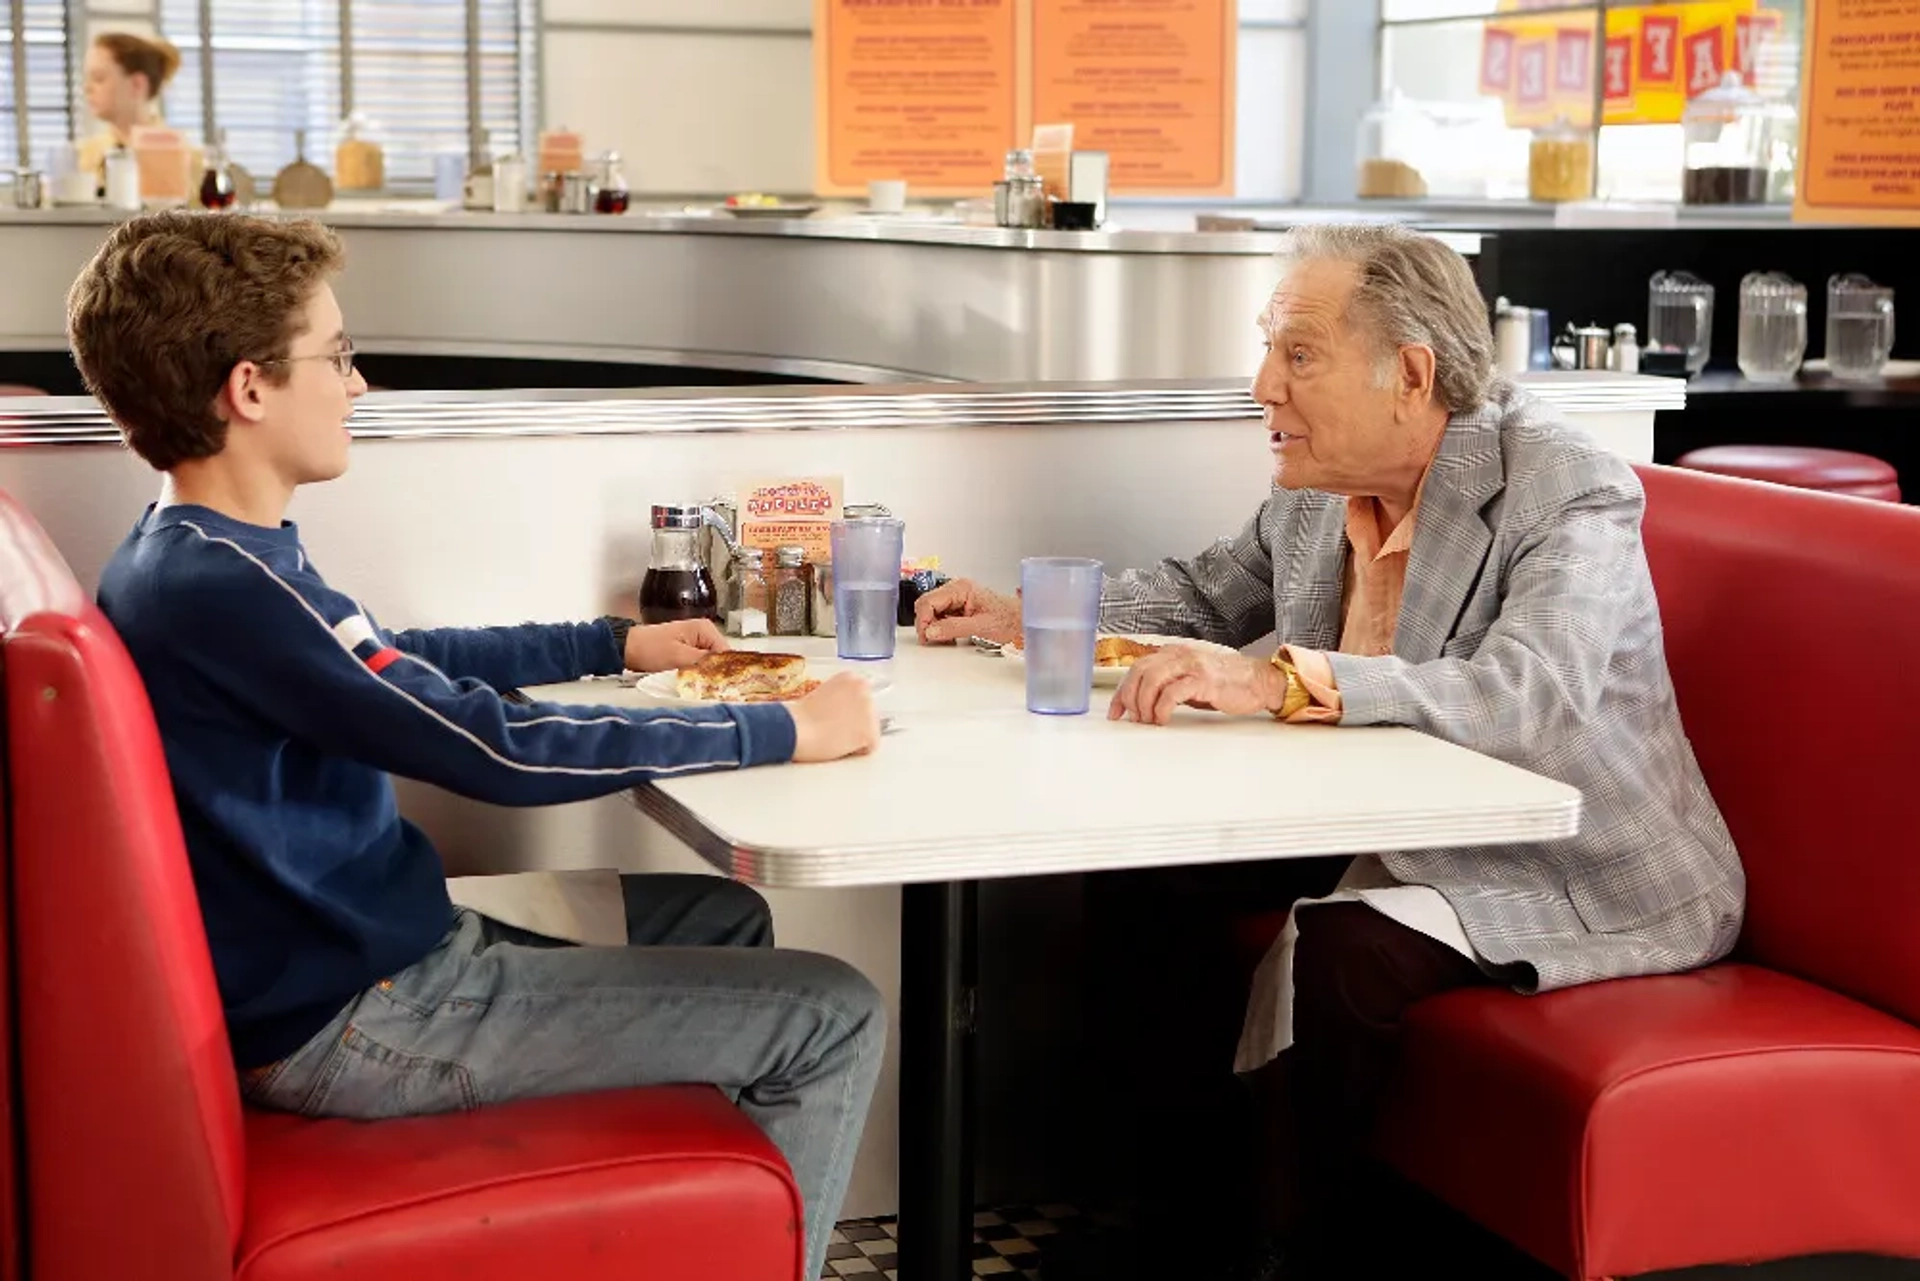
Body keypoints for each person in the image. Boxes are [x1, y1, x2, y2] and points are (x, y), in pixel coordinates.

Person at [916, 223, 1744, 1279]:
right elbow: (1205, 598)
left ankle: (1294, 1254)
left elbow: (1531, 696)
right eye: (1269, 350)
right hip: (1377, 815)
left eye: (1298, 354)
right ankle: (1160, 1224)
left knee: (1338, 955)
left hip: (1570, 864)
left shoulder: (1568, 487)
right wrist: (1027, 614)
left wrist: (1282, 681)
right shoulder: (1316, 484)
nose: (1264, 385)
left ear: (1410, 373)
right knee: (1143, 883)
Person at [75, 210, 884, 1281]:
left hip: (366, 970)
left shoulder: (194, 551)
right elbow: (488, 750)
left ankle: (688, 1240)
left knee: (718, 912)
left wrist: (608, 641)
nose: (357, 383)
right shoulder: (229, 584)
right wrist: (783, 727)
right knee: (836, 1011)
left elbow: (393, 658)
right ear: (250, 389)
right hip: (367, 1020)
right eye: (339, 354)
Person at [77, 32, 197, 191]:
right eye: (88, 79)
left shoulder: (187, 160)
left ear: (137, 84)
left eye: (99, 78)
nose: (87, 88)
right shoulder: (84, 157)